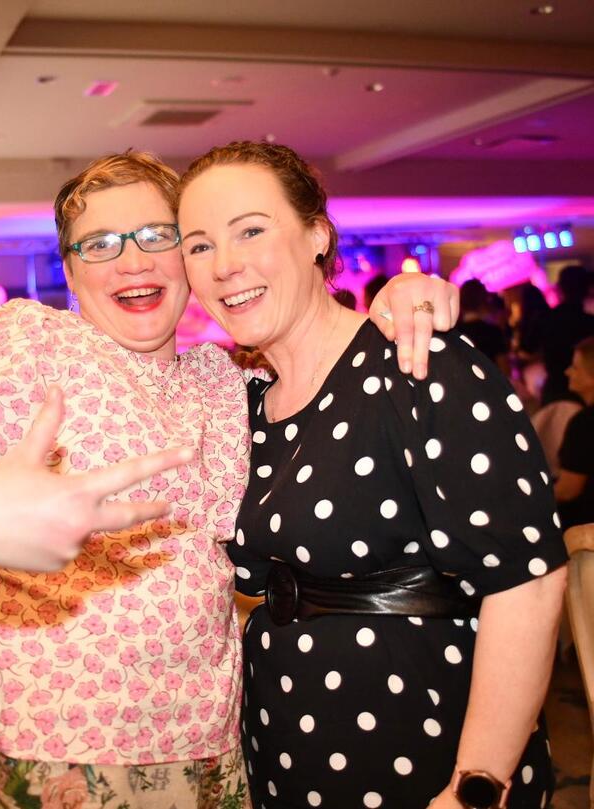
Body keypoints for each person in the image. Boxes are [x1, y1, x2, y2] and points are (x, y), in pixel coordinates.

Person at [0, 151, 457, 809]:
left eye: (156, 236)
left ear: (189, 257)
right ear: (70, 271)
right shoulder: (25, 343)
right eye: (99, 244)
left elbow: (320, 355)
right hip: (31, 744)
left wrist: (399, 301)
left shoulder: (225, 381)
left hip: (202, 748)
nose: (131, 262)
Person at [176, 141, 568, 809]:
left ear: (317, 236)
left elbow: (526, 581)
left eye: (251, 230)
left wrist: (474, 787)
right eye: (200, 245)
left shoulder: (418, 364)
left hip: (422, 748)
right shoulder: (245, 405)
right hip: (287, 751)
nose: (225, 264)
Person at [539, 265, 594, 405]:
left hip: (555, 391)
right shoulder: (588, 322)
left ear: (560, 288)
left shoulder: (547, 319)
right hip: (583, 389)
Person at [554, 336, 594, 530]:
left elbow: (568, 490)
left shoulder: (585, 423)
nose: (567, 371)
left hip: (585, 530)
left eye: (575, 368)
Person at [457, 280, 510, 377]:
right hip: (490, 383)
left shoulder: (454, 333)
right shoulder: (493, 332)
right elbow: (504, 370)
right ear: (484, 301)